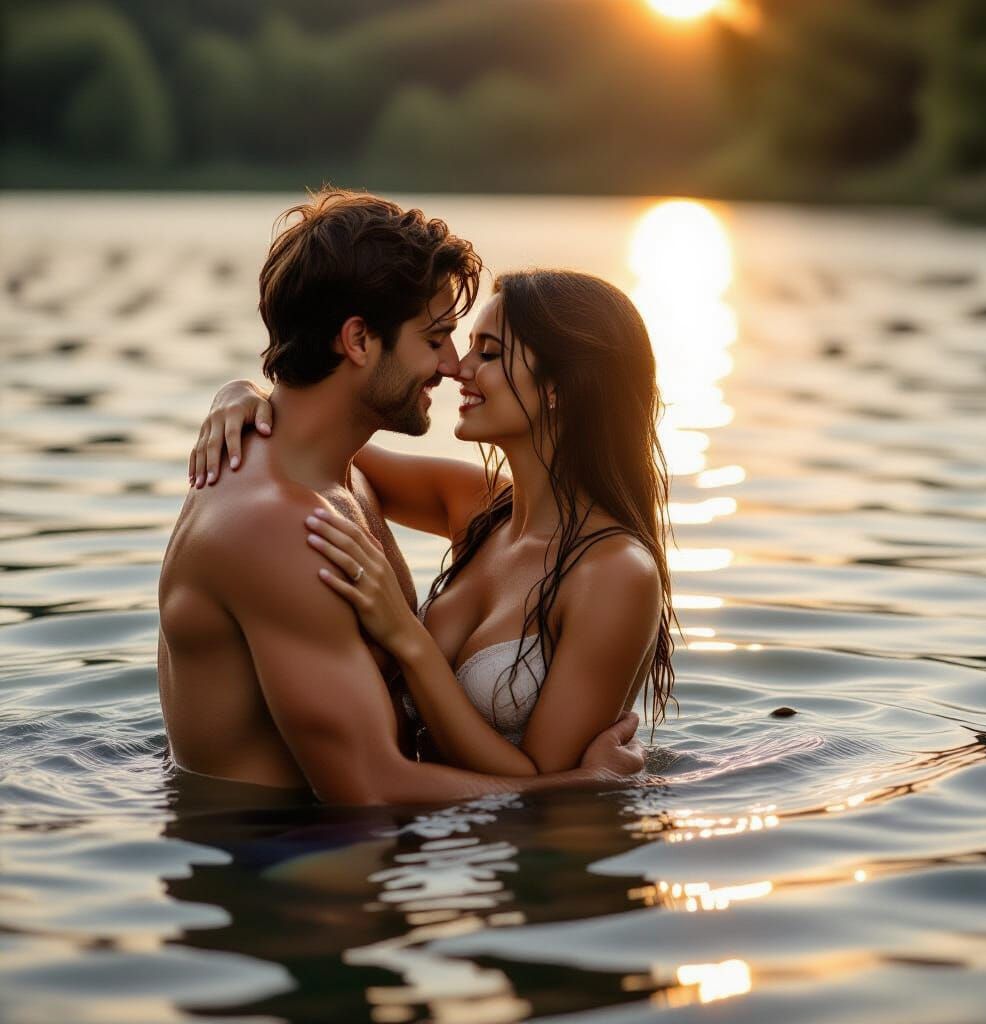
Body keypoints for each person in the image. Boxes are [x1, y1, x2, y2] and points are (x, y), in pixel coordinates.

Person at [159, 188, 644, 806]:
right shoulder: (276, 527)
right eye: (437, 337)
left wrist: (240, 391)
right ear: (359, 340)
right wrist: (591, 784)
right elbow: (366, 786)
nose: (453, 367)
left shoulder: (351, 479)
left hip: (387, 848)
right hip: (282, 865)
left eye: (477, 349)